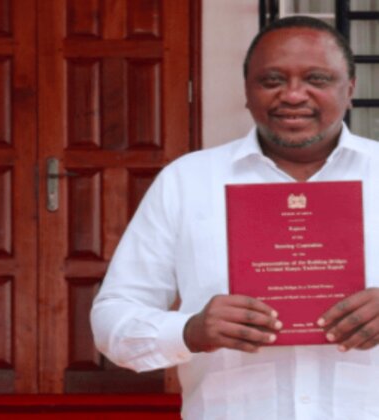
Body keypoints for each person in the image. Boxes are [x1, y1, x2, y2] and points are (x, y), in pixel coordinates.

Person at [91, 16, 379, 420]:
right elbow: (112, 319)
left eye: (317, 78)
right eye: (271, 80)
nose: (294, 95)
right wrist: (190, 331)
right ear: (247, 91)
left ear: (349, 89)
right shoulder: (187, 181)